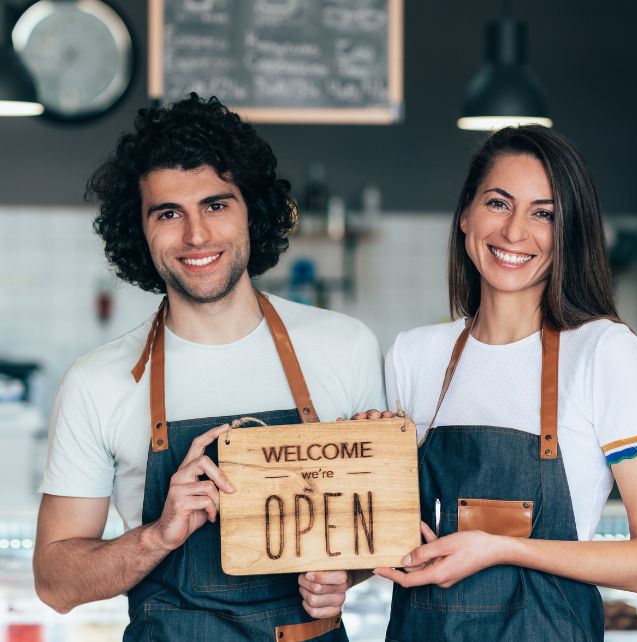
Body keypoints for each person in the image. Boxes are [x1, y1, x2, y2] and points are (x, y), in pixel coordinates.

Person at [33, 93, 385, 641]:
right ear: (139, 230)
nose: (196, 236)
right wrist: (160, 535)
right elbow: (55, 583)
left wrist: (343, 574)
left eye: (216, 205)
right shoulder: (98, 381)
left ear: (253, 211)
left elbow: (376, 532)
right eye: (168, 213)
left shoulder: (346, 347)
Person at [370, 125, 637, 640]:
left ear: (568, 231)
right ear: (466, 213)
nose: (514, 232)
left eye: (543, 213)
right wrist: (364, 460)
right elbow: (387, 535)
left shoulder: (603, 352)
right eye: (498, 203)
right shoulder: (413, 355)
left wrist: (504, 548)